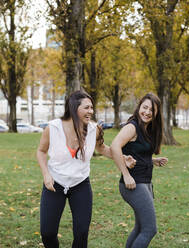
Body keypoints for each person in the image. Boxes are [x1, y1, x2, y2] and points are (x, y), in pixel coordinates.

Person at [36, 90, 135, 248]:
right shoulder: (53, 128)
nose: (91, 111)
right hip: (54, 183)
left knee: (82, 233)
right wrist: (46, 174)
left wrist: (122, 159)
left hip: (80, 184)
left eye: (92, 107)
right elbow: (41, 151)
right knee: (47, 233)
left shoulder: (93, 129)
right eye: (87, 107)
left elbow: (102, 148)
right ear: (74, 107)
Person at [110, 93, 168, 248]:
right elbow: (115, 146)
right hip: (133, 184)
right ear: (139, 107)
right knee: (150, 229)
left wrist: (152, 160)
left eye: (152, 110)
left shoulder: (146, 129)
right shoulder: (132, 127)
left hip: (145, 182)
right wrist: (126, 174)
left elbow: (137, 152)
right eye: (145, 107)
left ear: (156, 113)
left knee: (141, 227)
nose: (147, 112)